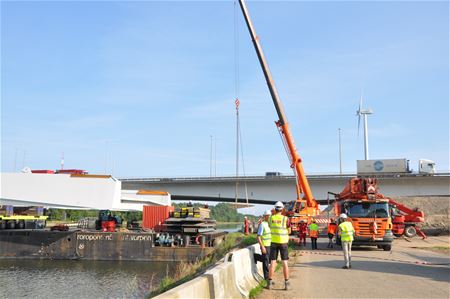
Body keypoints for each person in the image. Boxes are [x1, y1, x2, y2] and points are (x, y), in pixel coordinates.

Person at [268, 201, 290, 291]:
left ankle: (269, 283)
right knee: (285, 262)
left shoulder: (270, 218)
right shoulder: (286, 219)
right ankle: (286, 283)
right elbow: (289, 231)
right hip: (283, 242)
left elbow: (270, 227)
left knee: (273, 262)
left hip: (273, 242)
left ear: (275, 209)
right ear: (282, 209)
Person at [254, 210, 272, 284]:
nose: (270, 217)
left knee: (269, 260)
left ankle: (256, 257)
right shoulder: (262, 225)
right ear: (265, 216)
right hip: (265, 245)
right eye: (269, 215)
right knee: (266, 261)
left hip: (271, 245)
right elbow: (258, 237)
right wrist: (262, 246)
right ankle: (266, 278)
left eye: (270, 215)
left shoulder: (271, 224)